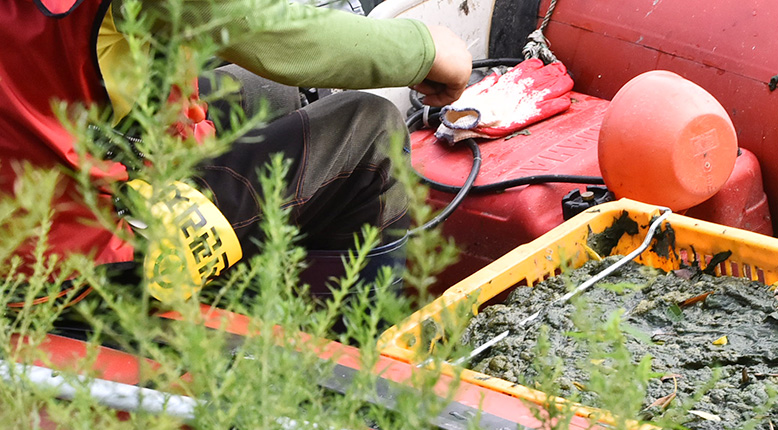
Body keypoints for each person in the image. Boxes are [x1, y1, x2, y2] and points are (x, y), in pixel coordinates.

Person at [1, 0, 472, 309]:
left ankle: (260, 271)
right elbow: (271, 31)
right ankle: (367, 362)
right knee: (369, 133)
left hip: (40, 169)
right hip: (67, 266)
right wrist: (424, 49)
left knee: (271, 93)